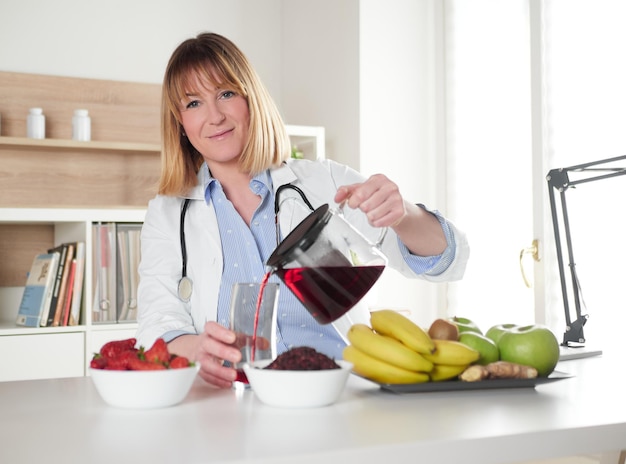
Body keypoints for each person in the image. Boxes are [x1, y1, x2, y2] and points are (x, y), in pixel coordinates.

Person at [136, 32, 469, 388]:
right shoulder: (169, 215)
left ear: (251, 98)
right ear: (181, 123)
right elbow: (158, 320)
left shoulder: (324, 181)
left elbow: (448, 261)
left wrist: (402, 214)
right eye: (194, 103)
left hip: (338, 394)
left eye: (226, 94)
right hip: (231, 407)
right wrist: (193, 348)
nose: (214, 116)